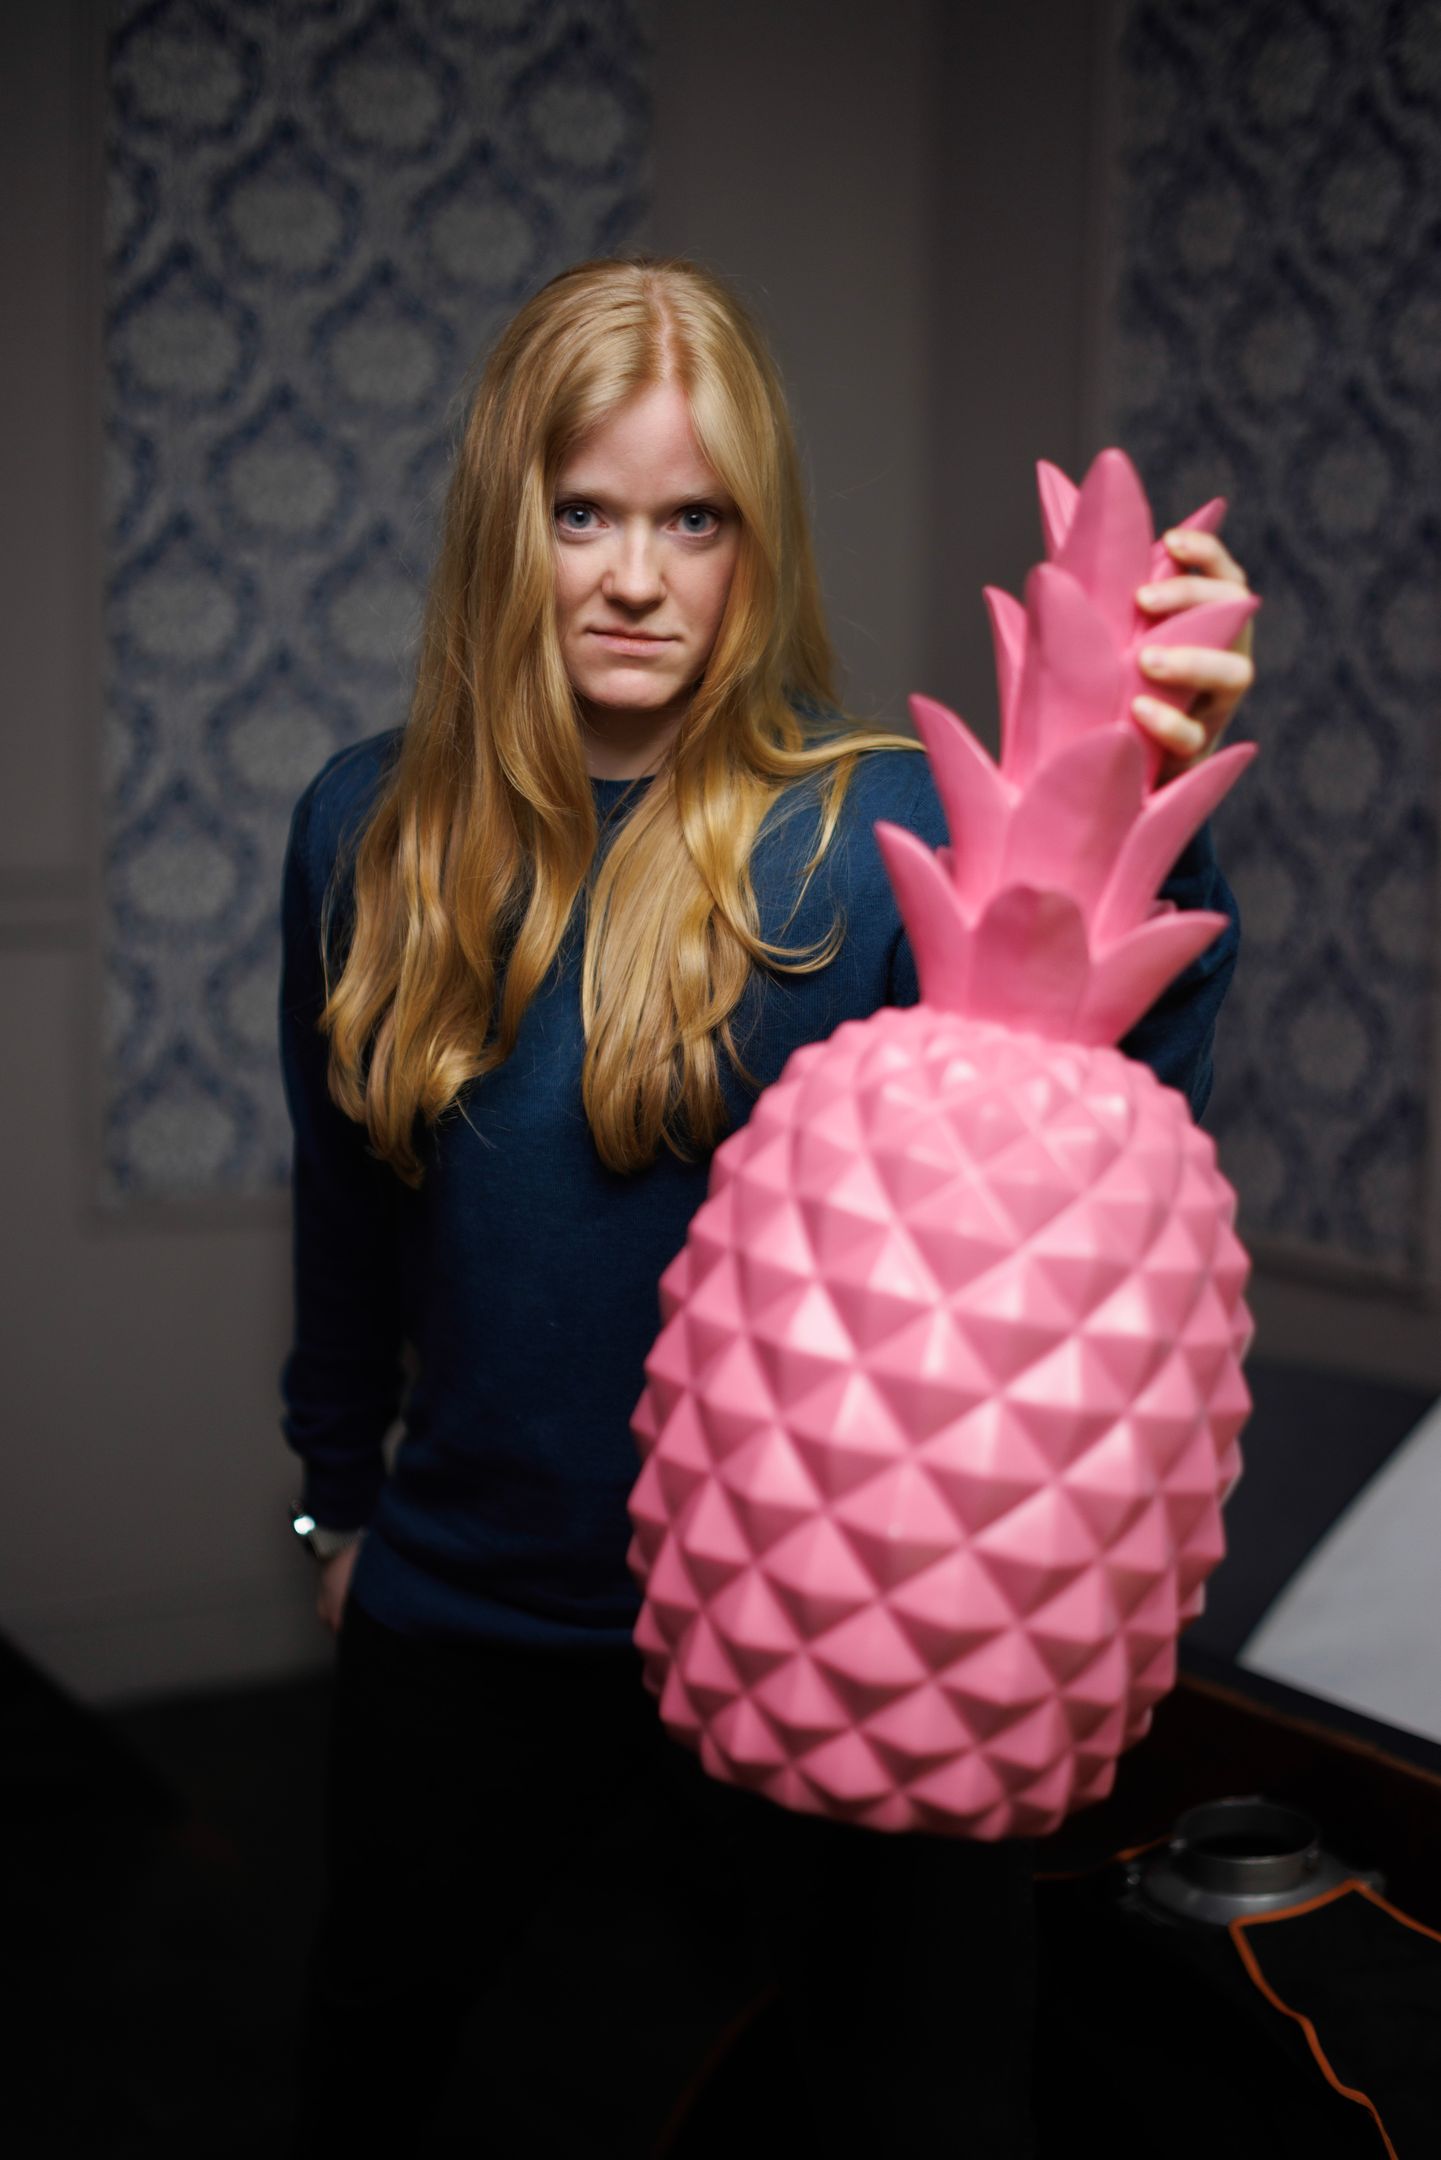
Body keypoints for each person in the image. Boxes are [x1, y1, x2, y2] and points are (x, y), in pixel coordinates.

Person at [279, 255, 1255, 2157]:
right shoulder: (365, 826)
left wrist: (1154, 794)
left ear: (756, 539)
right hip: (459, 1622)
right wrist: (338, 1496)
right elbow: (345, 1202)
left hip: (809, 1653)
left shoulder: (875, 838)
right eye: (583, 513)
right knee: (384, 2082)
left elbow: (1087, 1158)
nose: (636, 579)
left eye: (694, 520)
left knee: (885, 2105)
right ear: (503, 526)